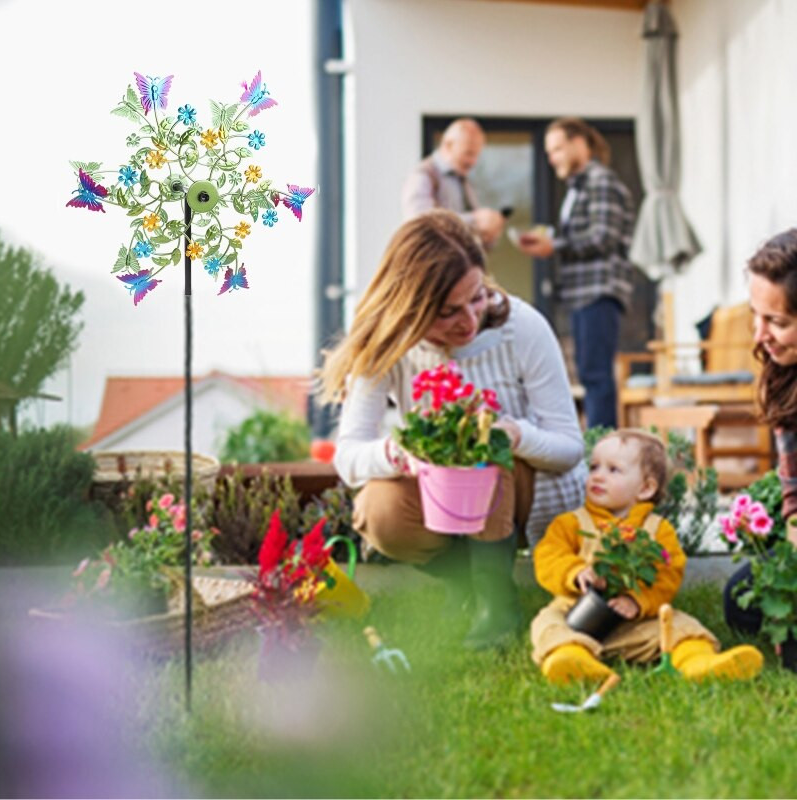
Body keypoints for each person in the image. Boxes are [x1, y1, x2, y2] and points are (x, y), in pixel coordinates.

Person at [319, 209, 585, 650]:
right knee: (378, 511)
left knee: (484, 450)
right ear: (412, 307)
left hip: (524, 489)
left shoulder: (523, 328)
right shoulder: (388, 343)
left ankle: (497, 608)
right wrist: (400, 453)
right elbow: (348, 458)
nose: (469, 320)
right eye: (448, 312)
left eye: (477, 298)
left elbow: (569, 448)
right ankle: (469, 587)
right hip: (439, 494)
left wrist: (516, 434)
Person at [530, 429, 763, 683]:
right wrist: (574, 572)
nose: (598, 476)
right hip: (576, 615)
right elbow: (548, 556)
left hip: (634, 624)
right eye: (594, 467)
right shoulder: (571, 523)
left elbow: (668, 575)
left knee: (681, 626)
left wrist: (637, 601)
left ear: (645, 488)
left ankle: (700, 663)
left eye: (613, 470)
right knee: (547, 623)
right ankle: (572, 659)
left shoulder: (657, 530)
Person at [515, 117, 635, 429]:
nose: (552, 158)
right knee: (589, 372)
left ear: (579, 143)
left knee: (595, 375)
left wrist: (553, 244)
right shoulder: (579, 188)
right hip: (582, 291)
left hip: (598, 290)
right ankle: (598, 448)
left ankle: (601, 450)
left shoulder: (600, 182)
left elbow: (602, 236)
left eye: (557, 149)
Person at [724, 229, 797, 665]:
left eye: (777, 322)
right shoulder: (783, 376)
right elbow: (794, 493)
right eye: (756, 315)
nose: (759, 335)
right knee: (742, 598)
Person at [401, 118, 505, 248]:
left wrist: (488, 232)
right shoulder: (424, 174)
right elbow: (418, 222)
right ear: (448, 145)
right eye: (468, 153)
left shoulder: (464, 180)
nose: (473, 162)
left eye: (476, 155)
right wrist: (475, 221)